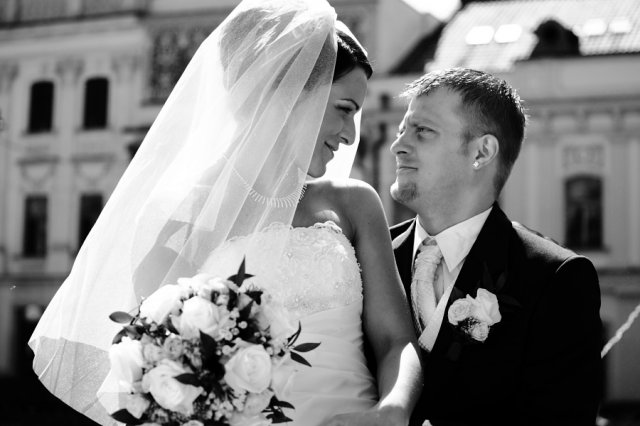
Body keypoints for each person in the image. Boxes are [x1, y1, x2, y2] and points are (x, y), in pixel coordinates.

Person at [29, 1, 422, 425]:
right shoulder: (177, 218)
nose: (350, 136)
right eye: (344, 109)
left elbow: (395, 340)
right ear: (287, 91)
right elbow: (161, 365)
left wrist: (392, 410)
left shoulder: (355, 203)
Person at [389, 68, 603, 425]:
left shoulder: (554, 280)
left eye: (422, 130)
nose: (398, 146)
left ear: (482, 152)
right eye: (401, 130)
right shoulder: (363, 257)